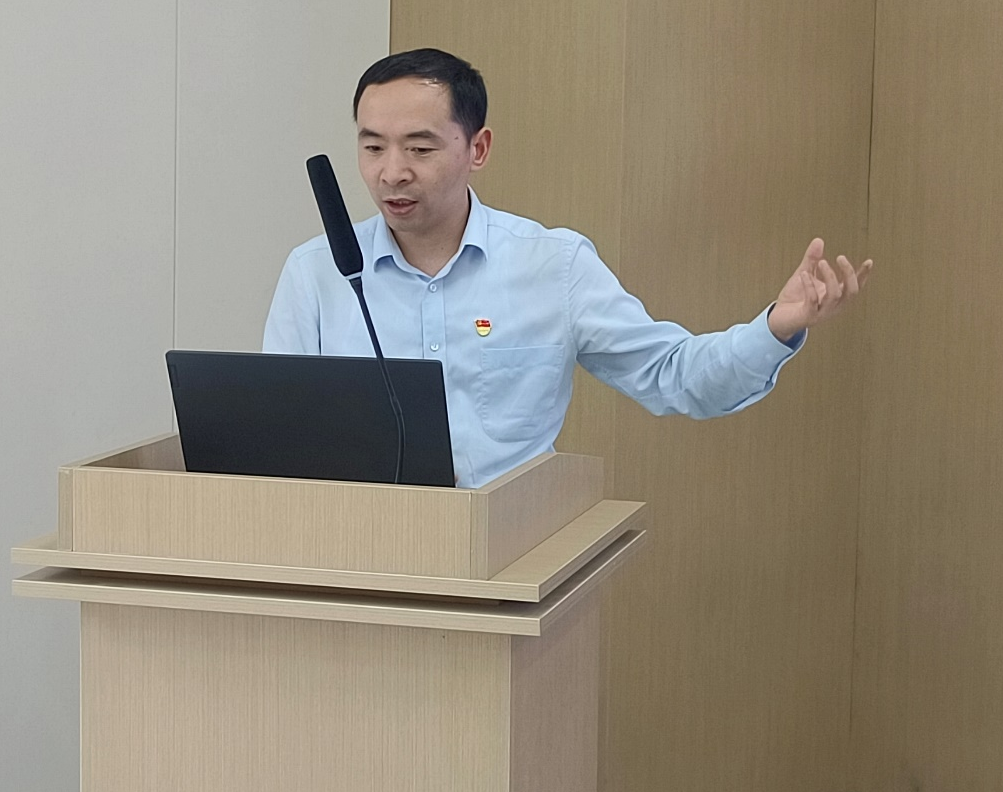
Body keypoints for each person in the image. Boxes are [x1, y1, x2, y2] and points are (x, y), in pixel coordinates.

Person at [264, 49, 872, 488]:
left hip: (505, 563)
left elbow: (675, 376)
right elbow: (276, 438)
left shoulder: (552, 265)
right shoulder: (316, 273)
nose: (392, 172)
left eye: (420, 148)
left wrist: (775, 328)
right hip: (355, 561)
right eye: (372, 147)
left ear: (478, 149)